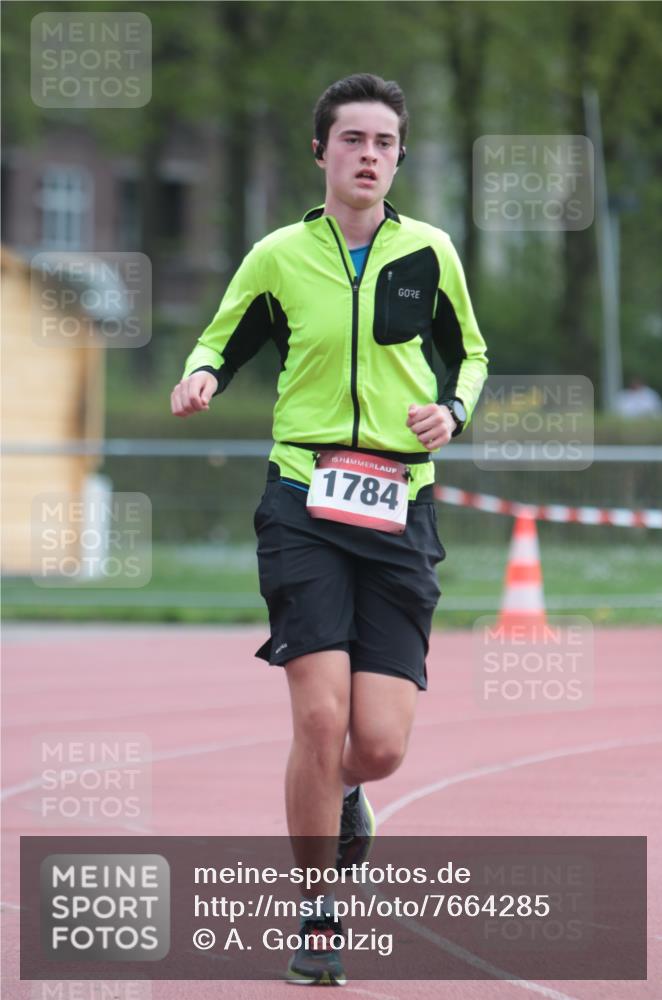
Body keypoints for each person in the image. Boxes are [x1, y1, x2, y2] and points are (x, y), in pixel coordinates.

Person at [171, 72, 488, 986]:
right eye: (352, 140)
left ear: (398, 157)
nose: (368, 156)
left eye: (384, 143)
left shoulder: (429, 252)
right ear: (321, 152)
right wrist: (200, 377)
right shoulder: (278, 254)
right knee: (317, 717)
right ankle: (316, 914)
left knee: (378, 743)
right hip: (303, 497)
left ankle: (346, 791)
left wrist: (451, 414)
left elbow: (468, 352)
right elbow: (221, 338)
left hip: (398, 505)